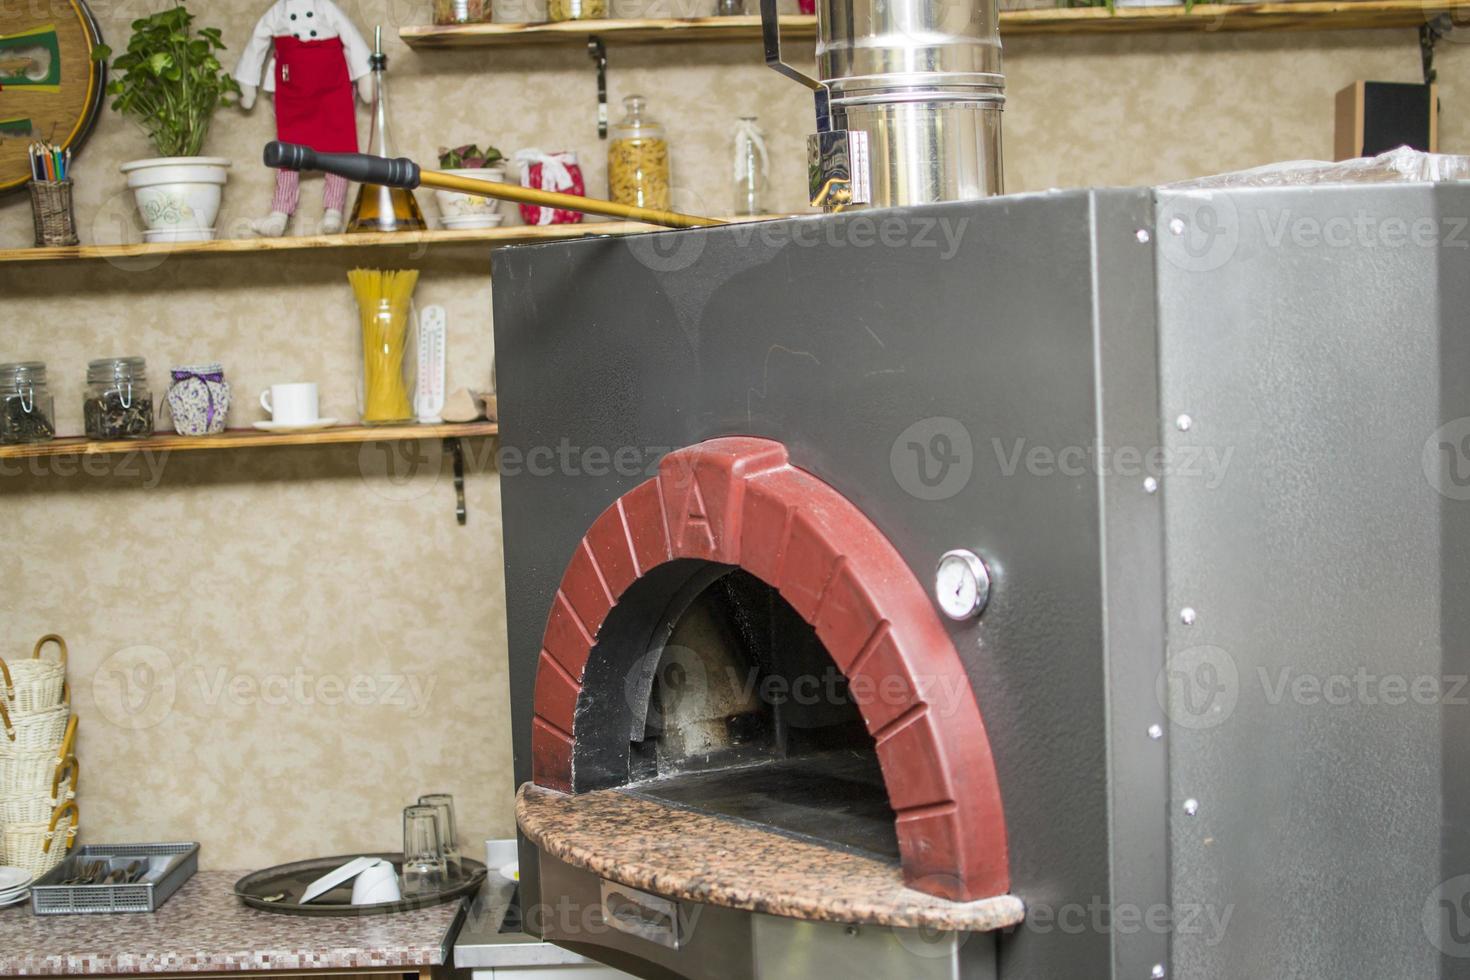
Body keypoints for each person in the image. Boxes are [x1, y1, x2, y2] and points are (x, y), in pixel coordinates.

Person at [234, 0, 373, 236]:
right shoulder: (276, 12)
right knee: (288, 150)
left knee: (338, 147)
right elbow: (256, 43)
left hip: (332, 84)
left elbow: (351, 38)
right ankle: (279, 213)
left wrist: (364, 76)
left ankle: (333, 212)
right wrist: (247, 82)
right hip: (293, 86)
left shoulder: (326, 8)